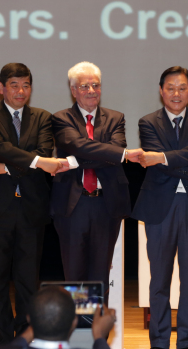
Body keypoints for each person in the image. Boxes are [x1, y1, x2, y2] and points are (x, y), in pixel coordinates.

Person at [0, 63, 69, 346]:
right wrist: (37, 162)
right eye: (14, 85)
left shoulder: (42, 117)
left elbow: (42, 152)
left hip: (32, 210)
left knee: (29, 281)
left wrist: (2, 169)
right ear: (1, 87)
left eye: (26, 85)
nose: (21, 91)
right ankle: (3, 343)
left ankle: (25, 339)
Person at [132, 66, 188, 349]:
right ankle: (158, 342)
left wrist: (166, 158)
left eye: (182, 88)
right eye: (170, 88)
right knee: (159, 278)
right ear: (161, 91)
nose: (176, 94)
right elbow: (157, 161)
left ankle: (186, 343)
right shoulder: (148, 122)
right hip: (160, 207)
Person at [51, 61, 142, 301]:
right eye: (84, 86)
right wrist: (109, 155)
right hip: (73, 205)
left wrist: (72, 161)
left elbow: (115, 151)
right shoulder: (61, 119)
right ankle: (80, 334)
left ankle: (94, 335)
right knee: (75, 275)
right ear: (73, 90)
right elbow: (79, 145)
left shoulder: (115, 118)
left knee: (100, 275)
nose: (91, 90)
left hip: (106, 205)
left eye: (96, 85)